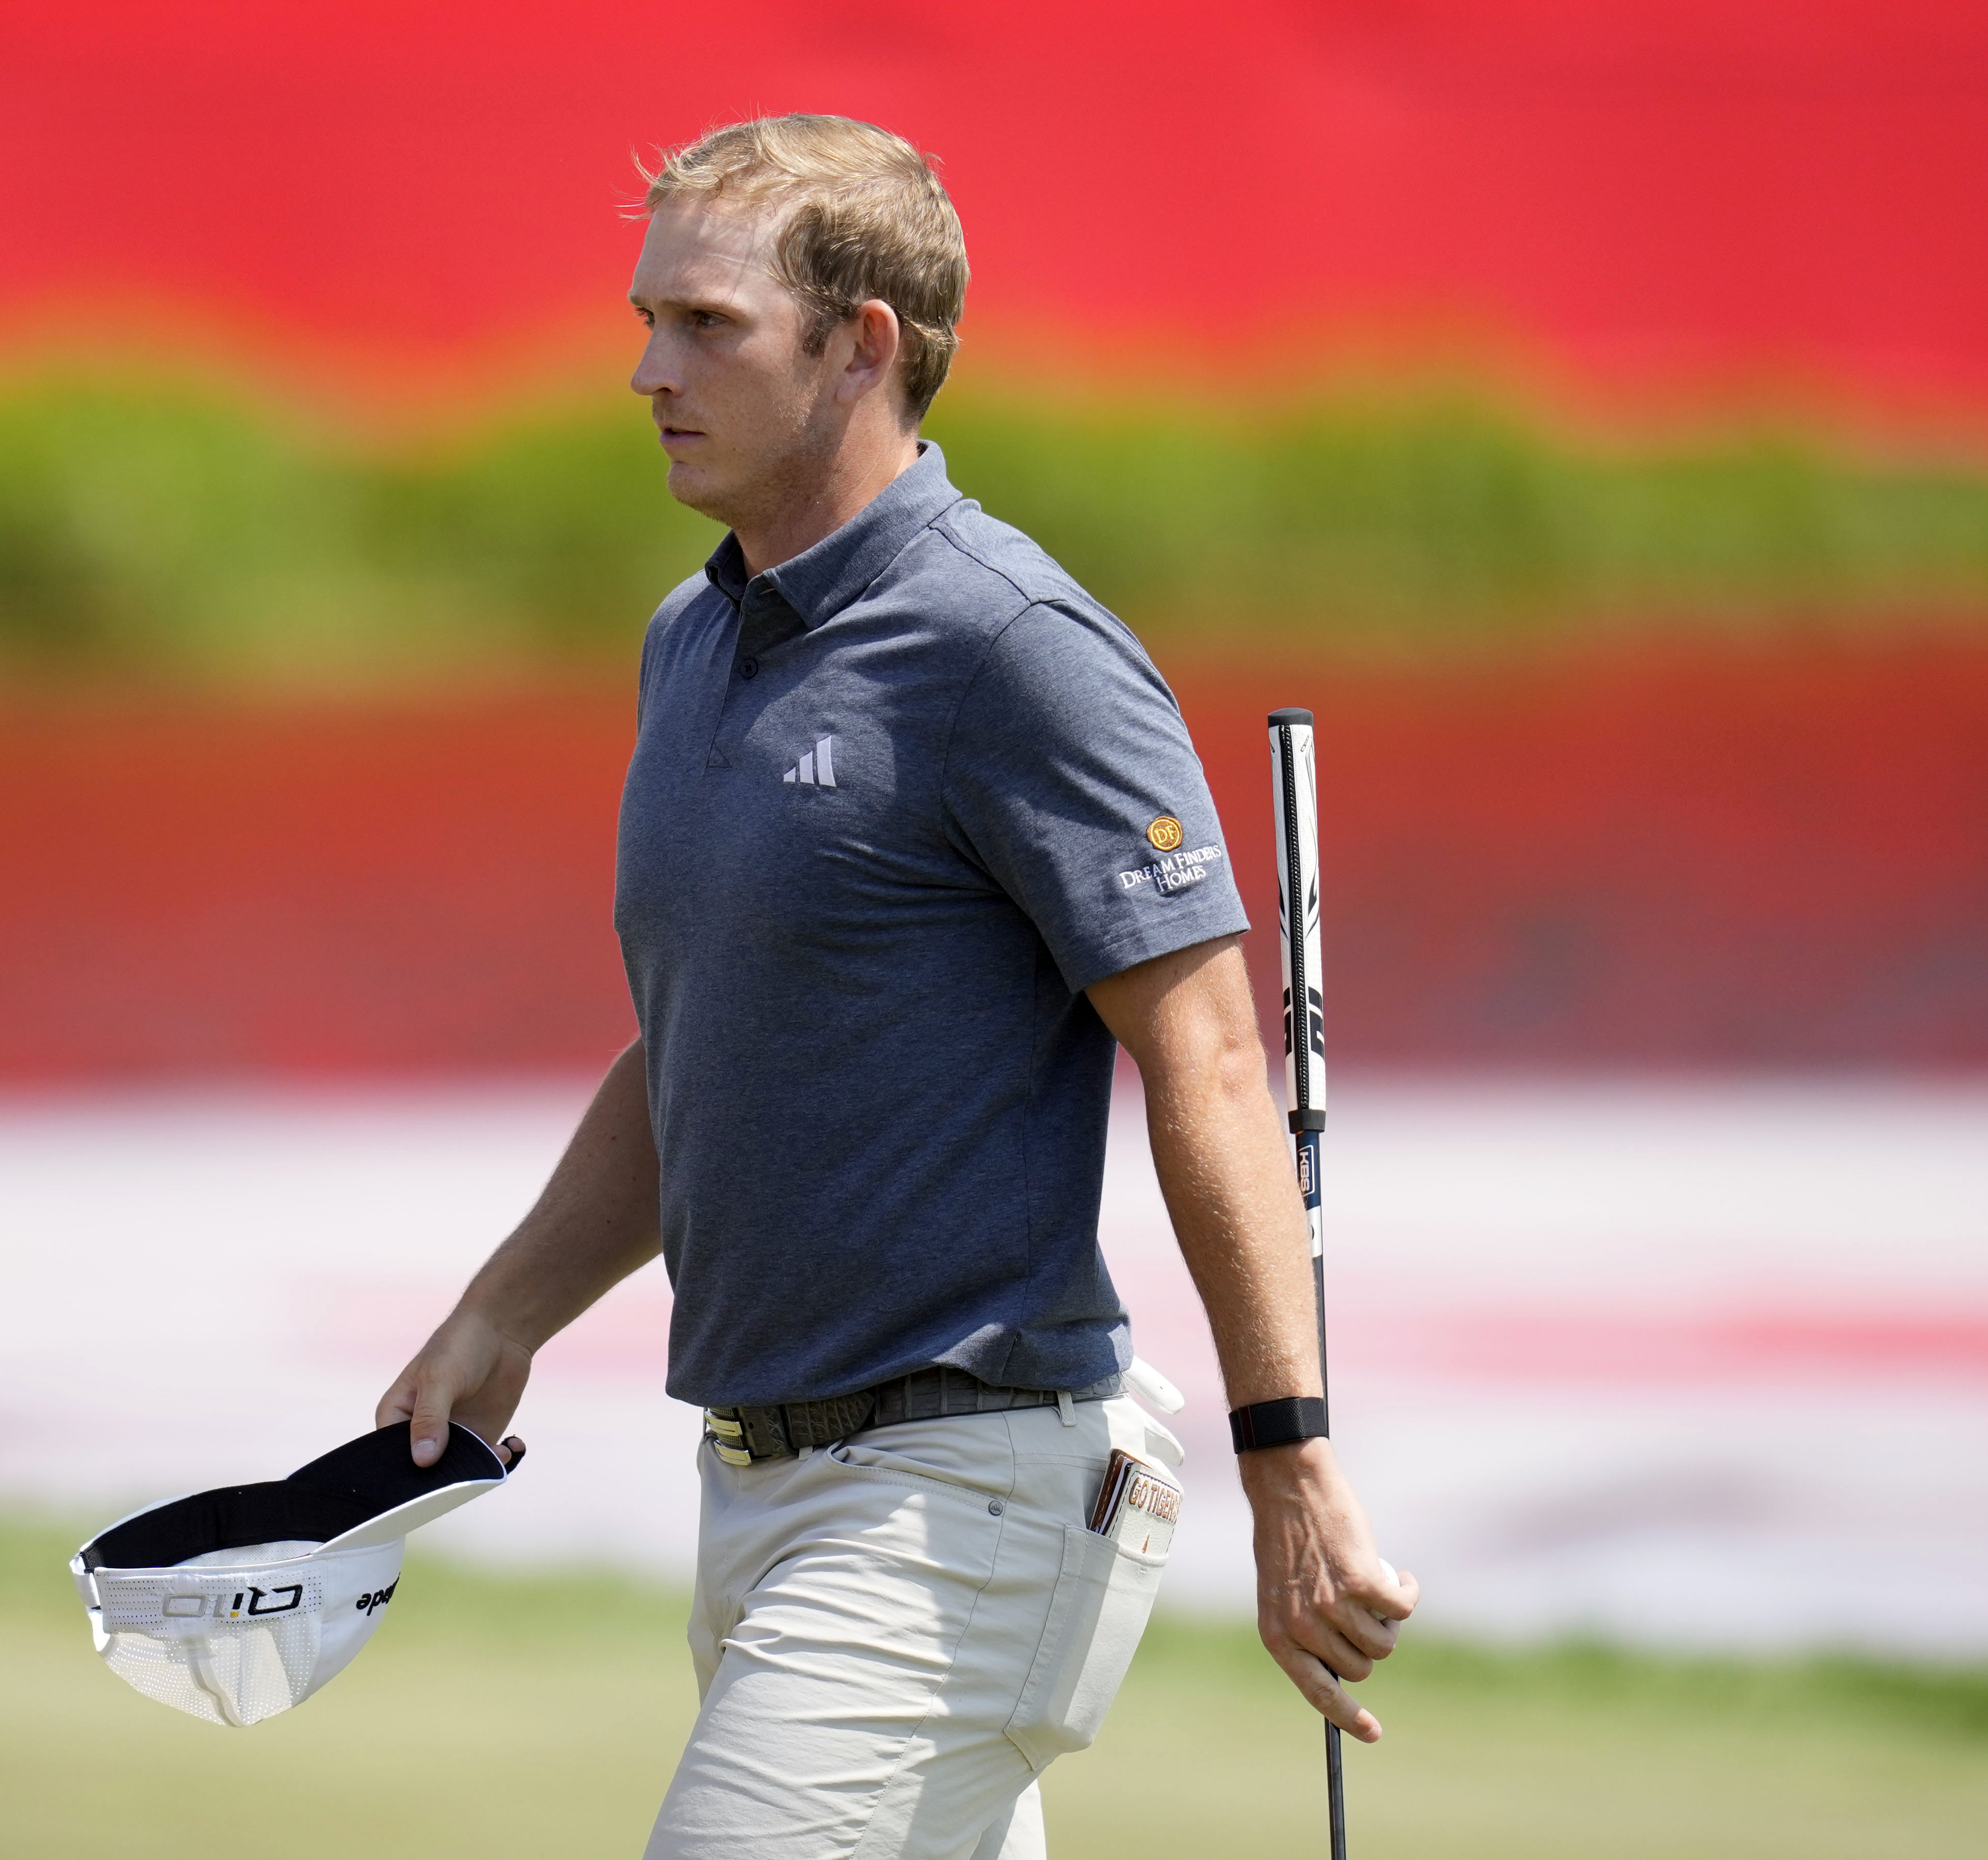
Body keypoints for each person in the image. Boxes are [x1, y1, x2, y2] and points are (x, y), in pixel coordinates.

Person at [379, 114, 1416, 1859]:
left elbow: (1212, 1060)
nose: (646, 369)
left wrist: (1289, 1459)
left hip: (969, 1496)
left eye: (707, 325)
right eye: (646, 320)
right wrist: (506, 1313)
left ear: (864, 344)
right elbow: (706, 1040)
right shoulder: (692, 638)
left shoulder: (1012, 647)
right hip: (764, 1488)